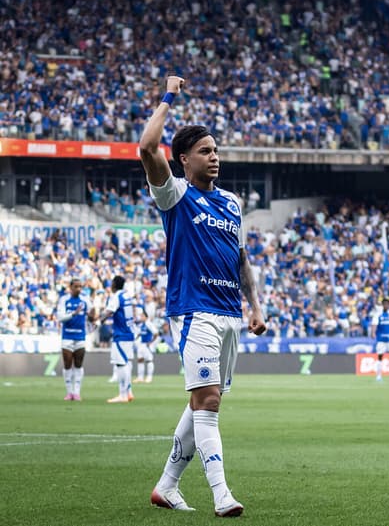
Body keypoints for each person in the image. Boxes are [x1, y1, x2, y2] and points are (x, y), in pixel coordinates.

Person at [140, 76, 266, 517]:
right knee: (208, 402)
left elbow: (242, 259)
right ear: (184, 159)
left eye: (216, 151)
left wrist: (255, 306)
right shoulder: (176, 194)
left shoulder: (232, 203)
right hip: (194, 311)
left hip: (231, 314)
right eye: (206, 151)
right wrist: (169, 95)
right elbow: (146, 146)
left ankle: (166, 486)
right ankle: (221, 495)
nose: (215, 158)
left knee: (201, 402)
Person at [56, 278, 96, 401]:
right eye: (76, 287)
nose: (78, 289)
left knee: (78, 364)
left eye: (80, 287)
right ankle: (69, 392)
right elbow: (60, 317)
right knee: (67, 364)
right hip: (67, 336)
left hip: (80, 336)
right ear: (70, 287)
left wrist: (91, 315)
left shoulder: (85, 300)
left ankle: (76, 392)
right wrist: (73, 314)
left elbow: (91, 317)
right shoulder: (64, 300)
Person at [100, 276, 135, 403]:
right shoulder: (126, 296)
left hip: (121, 334)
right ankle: (129, 392)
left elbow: (109, 311)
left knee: (121, 364)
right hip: (129, 333)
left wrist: (99, 320)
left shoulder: (116, 296)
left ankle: (123, 395)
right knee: (126, 363)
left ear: (114, 284)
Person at [133, 304, 156, 384]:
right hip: (141, 344)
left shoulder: (148, 324)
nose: (141, 317)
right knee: (140, 360)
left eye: (142, 316)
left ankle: (149, 377)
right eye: (141, 316)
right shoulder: (142, 324)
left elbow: (156, 333)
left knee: (149, 360)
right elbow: (140, 333)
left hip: (147, 344)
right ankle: (140, 377)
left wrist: (151, 342)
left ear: (146, 317)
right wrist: (136, 338)